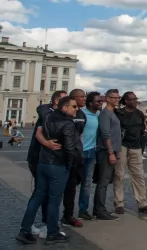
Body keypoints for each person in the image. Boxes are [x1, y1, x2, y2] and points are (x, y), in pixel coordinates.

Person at [16, 96, 81, 245]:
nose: (76, 109)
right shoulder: (68, 124)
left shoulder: (48, 117)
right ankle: (52, 232)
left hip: (43, 162)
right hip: (58, 165)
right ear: (64, 108)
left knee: (37, 196)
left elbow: (39, 132)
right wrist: (70, 165)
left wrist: (46, 143)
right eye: (73, 106)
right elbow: (70, 148)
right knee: (54, 200)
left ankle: (25, 230)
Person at [25, 90, 66, 238]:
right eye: (65, 99)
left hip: (45, 159)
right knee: (42, 194)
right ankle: (43, 226)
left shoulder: (52, 114)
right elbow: (39, 132)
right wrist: (47, 144)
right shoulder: (47, 113)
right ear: (56, 102)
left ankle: (37, 226)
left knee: (43, 194)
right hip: (40, 158)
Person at [113, 92, 147, 215]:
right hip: (122, 146)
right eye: (132, 99)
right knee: (119, 174)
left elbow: (142, 129)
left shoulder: (139, 114)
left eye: (136, 99)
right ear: (125, 101)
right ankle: (119, 203)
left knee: (138, 175)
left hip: (136, 147)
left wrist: (142, 144)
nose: (135, 101)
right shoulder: (119, 113)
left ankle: (142, 203)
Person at [59, 89, 87, 228]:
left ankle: (68, 215)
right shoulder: (62, 115)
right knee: (55, 189)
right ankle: (48, 219)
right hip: (62, 157)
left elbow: (79, 134)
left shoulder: (81, 114)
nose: (84, 99)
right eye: (81, 97)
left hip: (76, 156)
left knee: (71, 188)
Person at [93, 89, 121, 221]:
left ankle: (98, 209)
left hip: (111, 151)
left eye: (118, 97)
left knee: (105, 181)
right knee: (103, 181)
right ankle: (100, 210)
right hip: (106, 151)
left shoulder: (112, 113)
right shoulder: (105, 114)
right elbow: (105, 134)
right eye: (114, 97)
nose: (117, 99)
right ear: (107, 99)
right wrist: (110, 152)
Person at [78, 91, 102, 221]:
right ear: (90, 103)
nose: (100, 103)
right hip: (79, 152)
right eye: (98, 101)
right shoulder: (81, 114)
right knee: (71, 182)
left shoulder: (98, 115)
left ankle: (83, 210)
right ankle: (68, 212)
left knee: (86, 183)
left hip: (91, 152)